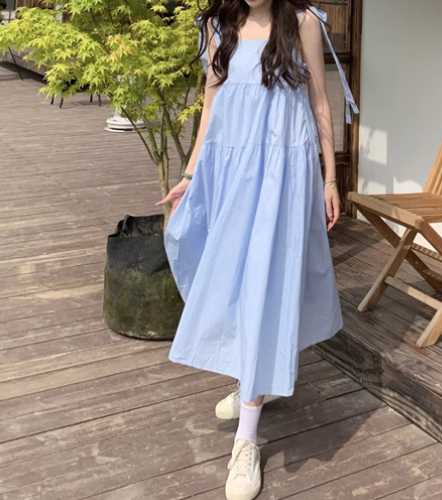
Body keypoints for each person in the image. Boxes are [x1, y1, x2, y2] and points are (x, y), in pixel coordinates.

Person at [157, 1, 358, 498]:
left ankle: (246, 439)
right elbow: (211, 105)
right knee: (223, 275)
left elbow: (320, 103)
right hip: (229, 171)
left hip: (282, 176)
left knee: (265, 284)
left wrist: (330, 178)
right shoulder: (215, 26)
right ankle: (252, 376)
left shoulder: (303, 22)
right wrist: (190, 174)